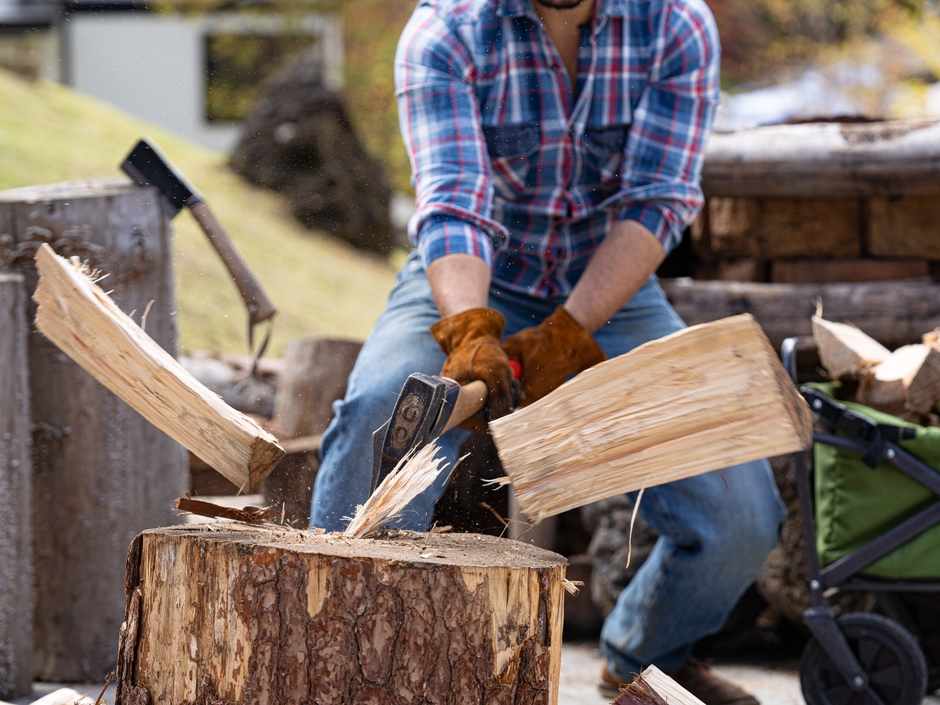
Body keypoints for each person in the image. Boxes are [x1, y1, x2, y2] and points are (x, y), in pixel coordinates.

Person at [310, 0, 787, 700]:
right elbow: (455, 203)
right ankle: (333, 663)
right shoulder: (446, 29)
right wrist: (471, 329)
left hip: (612, 291)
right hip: (472, 277)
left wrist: (571, 328)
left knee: (740, 511)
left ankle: (646, 657)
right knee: (381, 411)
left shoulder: (675, 24)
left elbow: (657, 202)